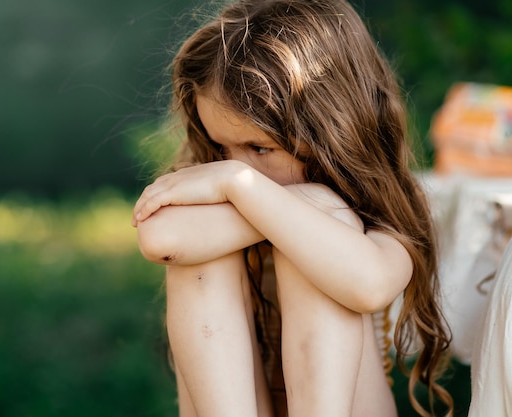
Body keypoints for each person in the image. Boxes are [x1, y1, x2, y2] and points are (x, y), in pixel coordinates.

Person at [131, 0, 454, 416]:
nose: (235, 164)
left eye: (259, 148)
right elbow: (162, 237)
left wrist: (245, 186)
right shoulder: (234, 188)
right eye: (221, 149)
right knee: (199, 258)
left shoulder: (380, 211)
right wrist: (275, 194)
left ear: (328, 129)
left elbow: (368, 283)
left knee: (324, 235)